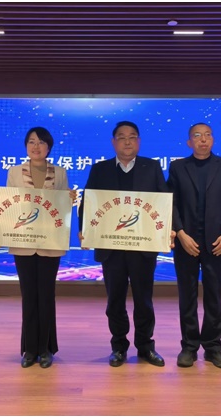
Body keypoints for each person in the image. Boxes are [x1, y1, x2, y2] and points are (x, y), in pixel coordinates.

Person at [78, 121, 170, 368]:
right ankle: (118, 347)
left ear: (138, 141)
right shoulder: (100, 169)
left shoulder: (151, 167)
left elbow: (163, 202)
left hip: (143, 247)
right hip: (112, 249)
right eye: (121, 137)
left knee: (144, 301)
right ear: (113, 142)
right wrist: (85, 231)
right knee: (115, 301)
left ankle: (145, 346)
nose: (127, 141)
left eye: (132, 137)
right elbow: (88, 202)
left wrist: (166, 231)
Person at [0, 127, 75, 369]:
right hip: (23, 243)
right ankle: (29, 350)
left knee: (46, 295)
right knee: (29, 296)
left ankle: (46, 349)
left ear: (49, 146)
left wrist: (69, 200)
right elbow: (8, 204)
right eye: (31, 142)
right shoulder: (14, 172)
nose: (36, 147)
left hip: (50, 243)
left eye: (41, 142)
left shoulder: (60, 173)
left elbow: (61, 209)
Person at [166, 122, 221, 369]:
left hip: (216, 242)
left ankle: (213, 347)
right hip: (186, 241)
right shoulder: (178, 167)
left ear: (213, 140)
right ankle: (189, 347)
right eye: (197, 136)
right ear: (189, 142)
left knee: (213, 295)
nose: (203, 139)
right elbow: (171, 203)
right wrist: (180, 233)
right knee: (186, 296)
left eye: (208, 135)